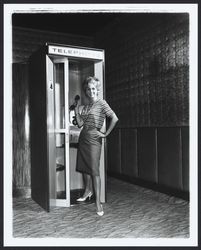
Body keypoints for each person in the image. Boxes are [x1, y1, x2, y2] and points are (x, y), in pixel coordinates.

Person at [74, 76, 118, 216]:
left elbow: (115, 118)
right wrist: (76, 110)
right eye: (88, 89)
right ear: (86, 91)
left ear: (97, 90)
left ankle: (98, 203)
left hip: (94, 140)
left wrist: (105, 134)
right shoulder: (86, 106)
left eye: (93, 88)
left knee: (94, 171)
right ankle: (87, 192)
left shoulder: (102, 103)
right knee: (84, 168)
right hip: (83, 138)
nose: (91, 91)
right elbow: (81, 124)